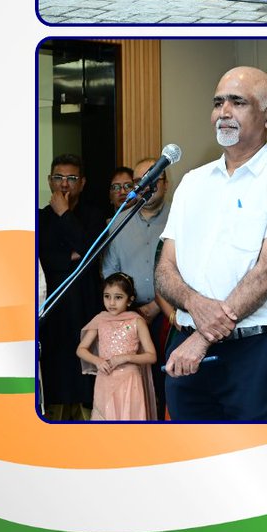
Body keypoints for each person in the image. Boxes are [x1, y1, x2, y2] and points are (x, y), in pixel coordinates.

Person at [155, 66, 267, 421]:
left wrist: (204, 337)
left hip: (252, 352)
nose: (223, 112)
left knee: (253, 462)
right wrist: (193, 303)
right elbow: (165, 269)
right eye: (218, 102)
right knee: (188, 463)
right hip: (184, 343)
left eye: (237, 102)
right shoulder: (192, 182)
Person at [102, 160, 171, 417]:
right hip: (126, 318)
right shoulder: (118, 222)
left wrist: (155, 306)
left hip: (170, 316)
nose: (149, 186)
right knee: (133, 387)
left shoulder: (180, 218)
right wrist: (128, 309)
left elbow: (190, 269)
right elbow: (110, 273)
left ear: (166, 184)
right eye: (142, 180)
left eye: (156, 179)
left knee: (167, 384)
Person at [38, 156, 104, 420]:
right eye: (58, 178)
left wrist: (64, 214)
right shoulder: (39, 217)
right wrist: (72, 256)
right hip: (52, 305)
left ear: (83, 183)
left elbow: (91, 250)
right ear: (49, 180)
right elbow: (42, 257)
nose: (64, 184)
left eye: (71, 178)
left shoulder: (95, 215)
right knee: (55, 371)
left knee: (84, 372)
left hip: (85, 303)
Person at [77, 272, 157, 421]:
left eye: (118, 297)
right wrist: (98, 361)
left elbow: (151, 356)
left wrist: (125, 358)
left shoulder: (136, 321)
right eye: (107, 296)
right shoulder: (100, 320)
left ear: (129, 300)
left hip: (130, 380)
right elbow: (81, 349)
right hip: (105, 378)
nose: (111, 302)